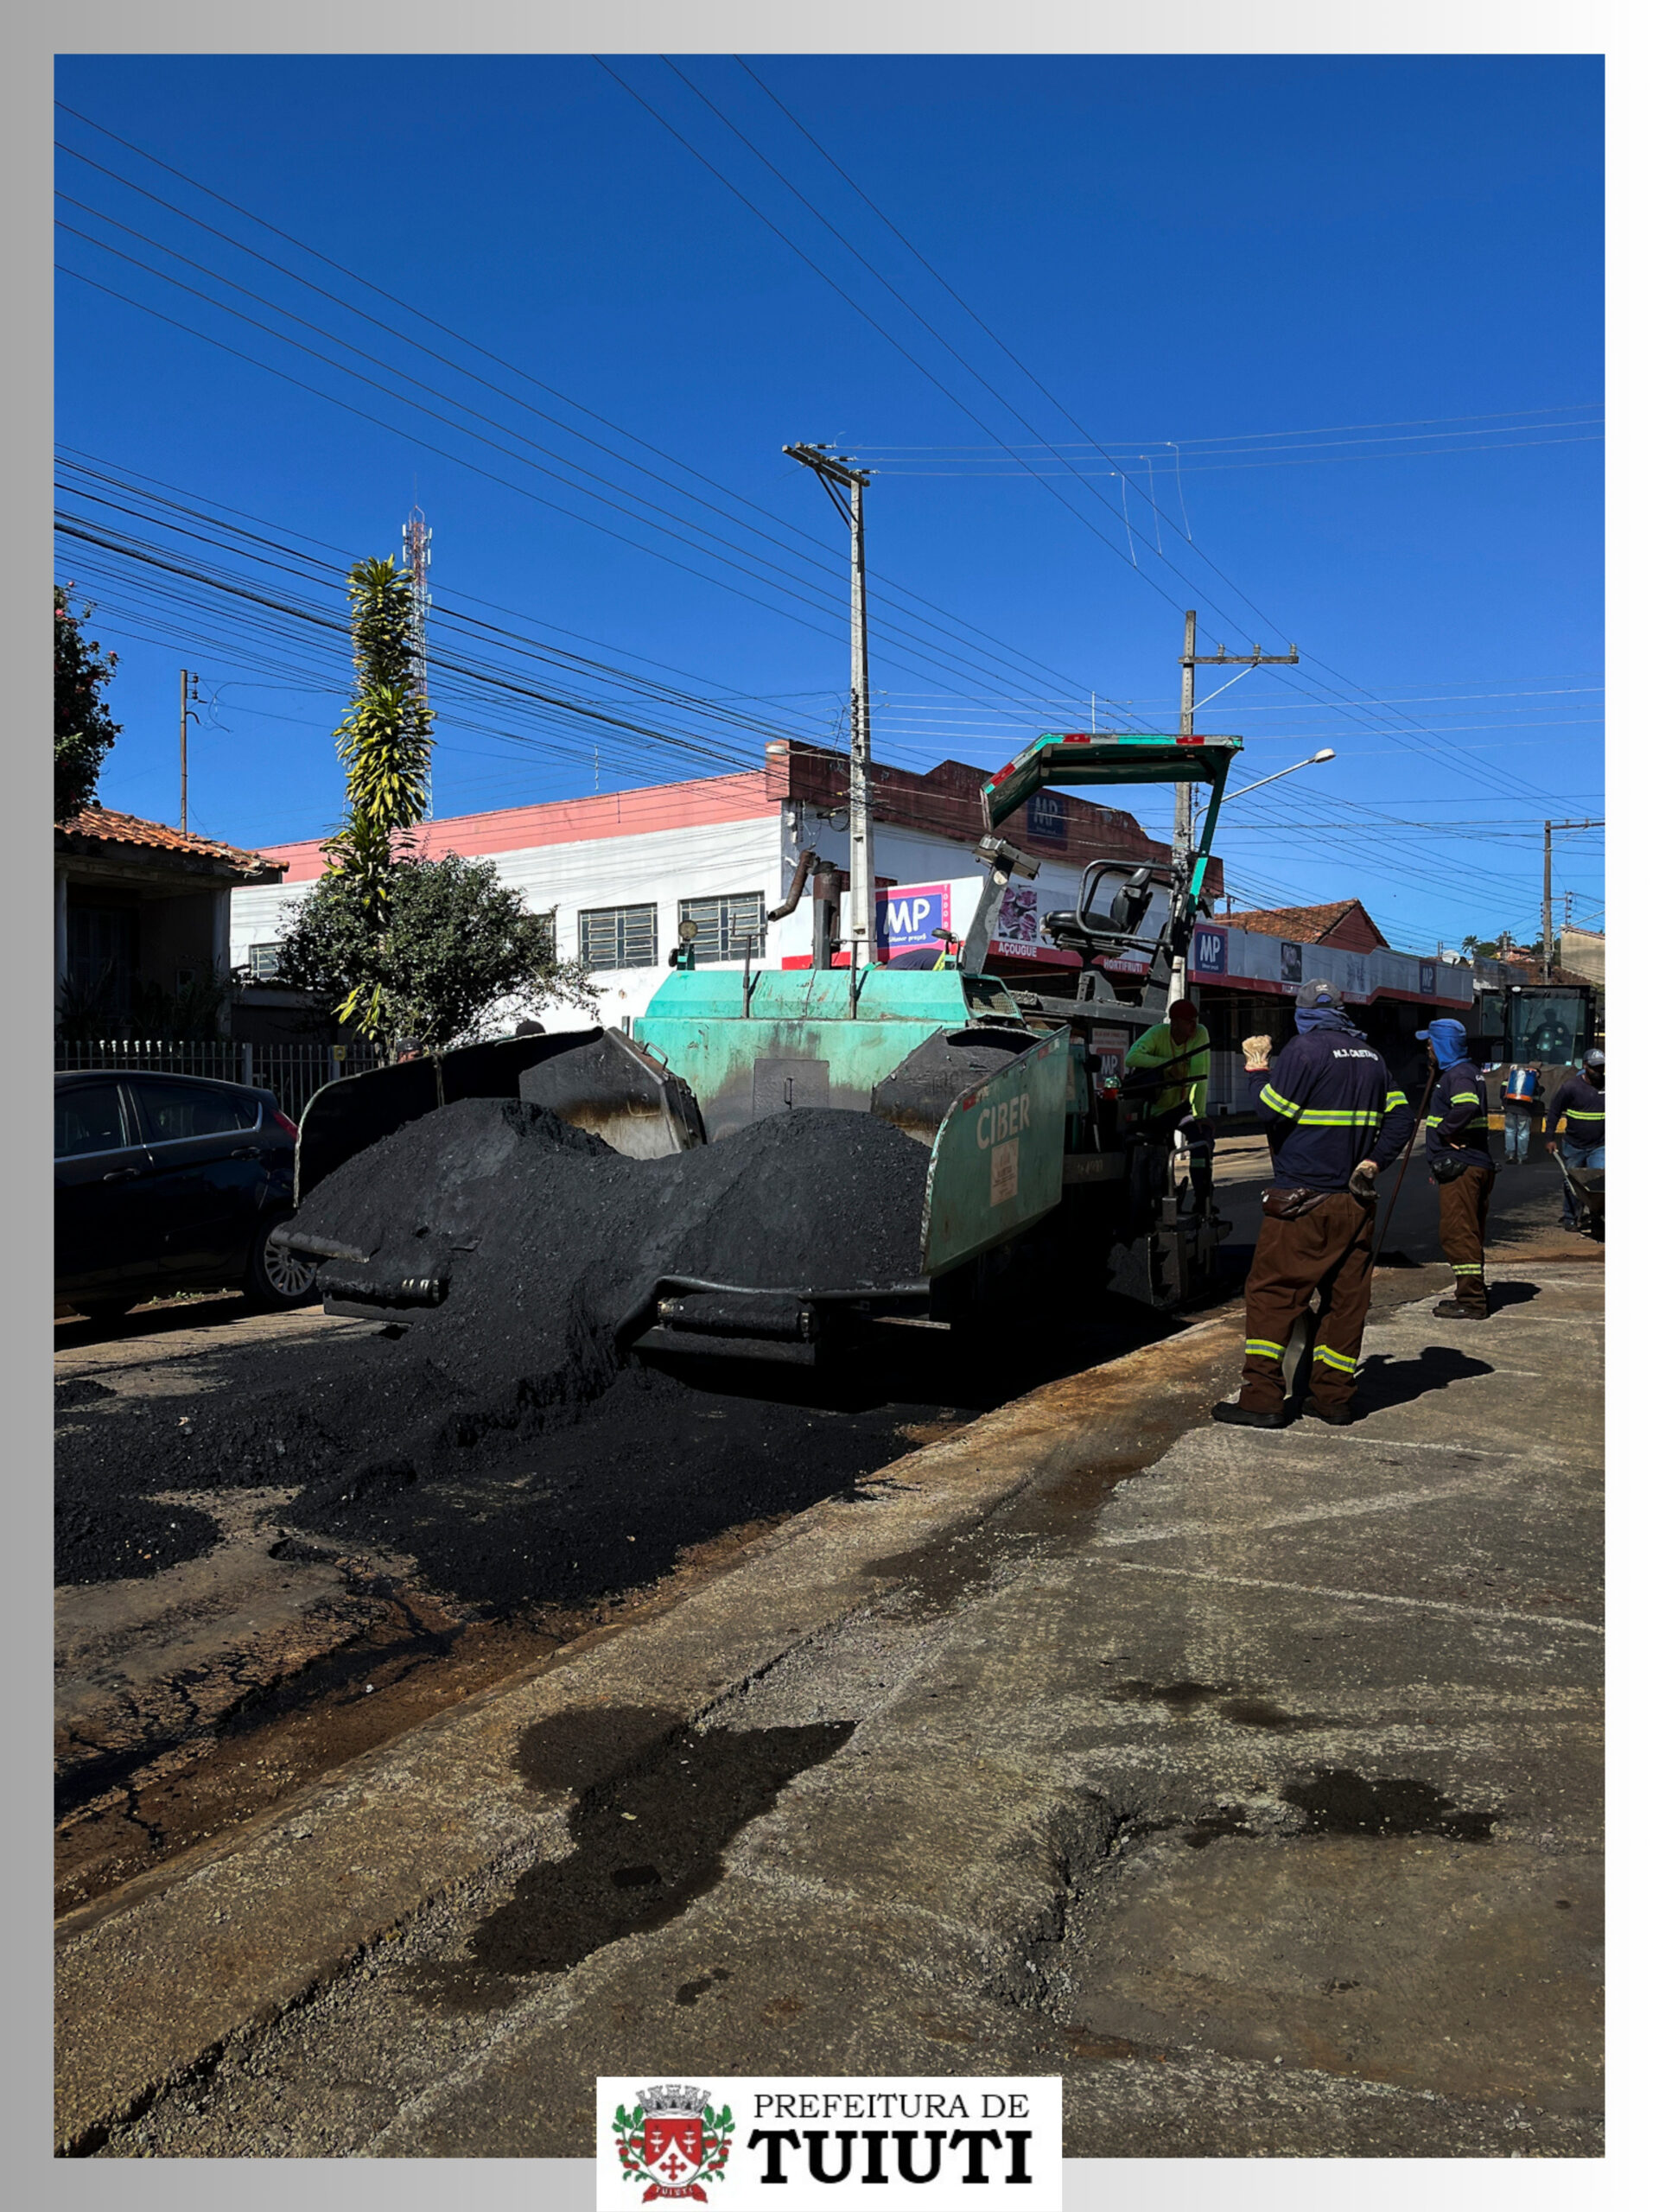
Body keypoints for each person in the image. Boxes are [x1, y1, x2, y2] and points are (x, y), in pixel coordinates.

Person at [1211, 980, 1413, 1430]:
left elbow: (1270, 1110)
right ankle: (1333, 1400)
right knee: (1346, 1303)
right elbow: (1402, 1117)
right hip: (1354, 1202)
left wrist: (1256, 1068)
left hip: (1301, 1204)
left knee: (1273, 1296)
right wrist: (1374, 1162)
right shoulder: (1371, 1057)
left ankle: (1262, 1399)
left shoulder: (1304, 1051)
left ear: (1303, 1014)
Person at [1420, 1015, 1496, 1319]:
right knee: (1468, 1234)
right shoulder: (1464, 1071)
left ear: (1442, 1045)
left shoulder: (1459, 1075)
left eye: (1430, 1043)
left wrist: (1446, 1131)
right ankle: (1470, 1292)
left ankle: (1472, 1301)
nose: (1427, 1048)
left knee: (1458, 1234)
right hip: (1472, 1165)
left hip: (1462, 1169)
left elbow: (1466, 1105)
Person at [1124, 997, 1213, 1202]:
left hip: (1182, 1109)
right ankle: (1163, 1195)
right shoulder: (1158, 1033)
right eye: (1188, 1022)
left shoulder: (1200, 1034)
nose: (1193, 1026)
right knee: (1160, 1150)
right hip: (1156, 1111)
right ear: (1174, 1022)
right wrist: (1167, 1064)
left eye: (1195, 1021)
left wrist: (1200, 1115)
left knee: (1202, 1141)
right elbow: (1131, 1058)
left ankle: (1202, 1198)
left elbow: (1200, 1078)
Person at [1546, 1046, 1605, 1230]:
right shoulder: (1571, 1087)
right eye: (1595, 1067)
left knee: (1598, 1183)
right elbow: (1554, 1112)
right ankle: (1571, 1216)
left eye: (1602, 1067)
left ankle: (1597, 1217)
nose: (1599, 1071)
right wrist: (1550, 1137)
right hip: (1574, 1145)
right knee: (1572, 1182)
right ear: (1585, 1066)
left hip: (1600, 1145)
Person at [1501, 1060, 1542, 1166]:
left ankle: (1510, 1155)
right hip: (1525, 1110)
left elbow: (1502, 1093)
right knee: (1523, 1133)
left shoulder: (1511, 1078)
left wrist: (1505, 1105)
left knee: (1510, 1131)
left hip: (1510, 1108)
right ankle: (1521, 1157)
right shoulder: (1533, 1081)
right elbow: (1536, 1098)